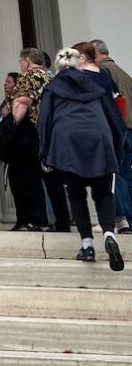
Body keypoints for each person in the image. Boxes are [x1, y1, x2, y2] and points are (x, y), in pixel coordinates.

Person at [38, 47, 126, 271]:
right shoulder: (96, 84)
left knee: (76, 194)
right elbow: (114, 118)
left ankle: (87, 245)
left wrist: (45, 154)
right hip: (99, 138)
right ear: (79, 64)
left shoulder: (52, 88)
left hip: (67, 142)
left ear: (58, 67)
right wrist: (117, 150)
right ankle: (109, 234)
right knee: (103, 192)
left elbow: (44, 122)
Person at [7, 48, 50, 230]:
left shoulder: (27, 77)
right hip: (47, 131)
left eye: (20, 61)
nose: (20, 65)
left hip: (29, 133)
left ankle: (32, 220)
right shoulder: (49, 77)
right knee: (44, 180)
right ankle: (47, 220)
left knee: (25, 179)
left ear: (27, 61)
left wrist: (11, 128)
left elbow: (22, 103)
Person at [92, 39, 132, 232]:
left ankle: (117, 217)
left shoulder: (104, 72)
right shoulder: (123, 73)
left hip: (118, 129)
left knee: (115, 175)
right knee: (126, 174)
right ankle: (126, 218)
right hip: (129, 129)